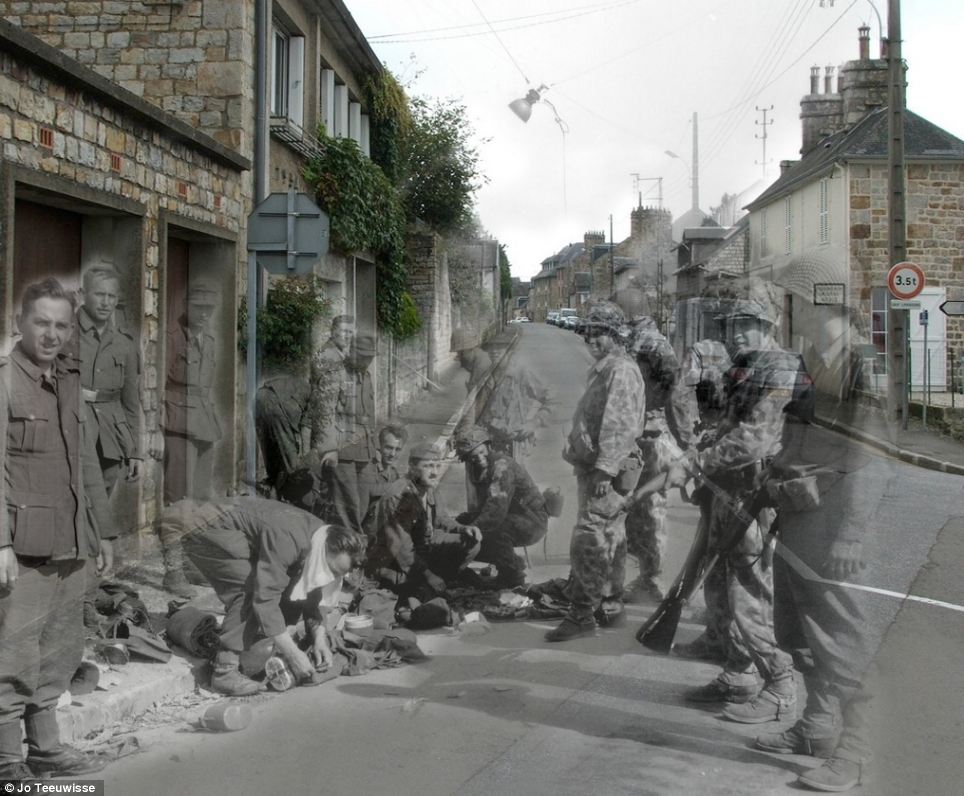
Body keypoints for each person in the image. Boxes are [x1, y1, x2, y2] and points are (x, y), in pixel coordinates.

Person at [752, 303, 886, 792]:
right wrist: (773, 477)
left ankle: (856, 751)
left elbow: (871, 460)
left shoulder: (863, 365)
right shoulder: (812, 359)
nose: (792, 313)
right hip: (798, 514)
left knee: (841, 641)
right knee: (799, 632)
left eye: (800, 304)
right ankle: (817, 727)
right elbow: (794, 435)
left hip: (834, 525)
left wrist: (851, 534)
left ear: (825, 305)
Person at [0, 277, 116, 779]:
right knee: (15, 650)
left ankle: (46, 748)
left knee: (61, 648)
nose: (51, 334)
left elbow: (86, 461)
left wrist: (104, 532)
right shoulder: (5, 379)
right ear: (19, 323)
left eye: (61, 326)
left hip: (73, 540)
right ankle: (7, 761)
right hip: (24, 544)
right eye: (41, 323)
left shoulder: (69, 379)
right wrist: (0, 541)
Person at [667, 283, 797, 722]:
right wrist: (699, 453)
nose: (738, 333)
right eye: (734, 325)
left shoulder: (780, 369)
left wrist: (694, 462)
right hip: (726, 491)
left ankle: (779, 685)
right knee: (718, 585)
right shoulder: (746, 367)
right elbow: (725, 425)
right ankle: (739, 672)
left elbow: (754, 438)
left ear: (769, 325)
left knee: (749, 594)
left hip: (754, 497)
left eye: (749, 325)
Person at [163, 497, 367, 696]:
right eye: (331, 570)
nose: (331, 578)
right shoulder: (289, 538)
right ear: (326, 552)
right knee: (249, 592)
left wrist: (319, 638)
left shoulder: (324, 538)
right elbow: (265, 598)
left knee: (288, 585)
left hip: (225, 527)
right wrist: (292, 653)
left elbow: (313, 587)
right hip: (196, 526)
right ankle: (224, 672)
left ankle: (254, 641)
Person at [546, 300, 646, 642]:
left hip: (607, 472)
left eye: (598, 334)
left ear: (615, 336)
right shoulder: (609, 367)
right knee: (611, 537)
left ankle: (581, 614)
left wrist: (604, 470)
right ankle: (609, 603)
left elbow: (619, 425)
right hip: (603, 467)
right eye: (588, 333)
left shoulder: (619, 370)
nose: (590, 340)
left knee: (589, 538)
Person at [160, 277, 221, 595]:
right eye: (199, 307)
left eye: (209, 308)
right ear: (187, 307)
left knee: (200, 498)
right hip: (178, 423)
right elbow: (158, 383)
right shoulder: (171, 338)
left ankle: (193, 562)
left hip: (205, 423)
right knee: (177, 500)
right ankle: (173, 572)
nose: (204, 313)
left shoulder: (208, 340)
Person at [365, 442, 482, 599]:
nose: (435, 472)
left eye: (437, 466)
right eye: (428, 466)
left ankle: (442, 580)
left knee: (470, 542)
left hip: (421, 549)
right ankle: (429, 582)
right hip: (393, 560)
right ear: (412, 467)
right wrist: (428, 575)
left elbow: (441, 518)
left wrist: (462, 528)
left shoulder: (428, 487)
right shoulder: (399, 496)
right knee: (421, 595)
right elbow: (402, 549)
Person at [623, 319, 684, 604]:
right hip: (640, 432)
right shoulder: (641, 340)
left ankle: (653, 579)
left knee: (650, 507)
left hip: (654, 432)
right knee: (638, 506)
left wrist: (681, 435)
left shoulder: (654, 343)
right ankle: (645, 575)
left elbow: (675, 390)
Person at [70, 266, 143, 495]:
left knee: (100, 510)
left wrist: (135, 451)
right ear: (83, 294)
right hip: (72, 429)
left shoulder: (125, 343)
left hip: (110, 437)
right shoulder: (64, 333)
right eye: (99, 294)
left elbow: (131, 402)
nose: (106, 302)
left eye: (111, 296)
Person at [452, 425, 549, 588]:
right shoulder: (477, 469)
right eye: (472, 457)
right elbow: (485, 507)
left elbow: (495, 512)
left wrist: (471, 528)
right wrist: (462, 525)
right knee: (460, 523)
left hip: (532, 520)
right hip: (512, 516)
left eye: (481, 453)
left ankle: (513, 576)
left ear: (488, 447)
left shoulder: (501, 467)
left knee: (493, 530)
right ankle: (512, 561)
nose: (479, 459)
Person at [326, 333, 377, 532]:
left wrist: (375, 449)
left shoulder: (367, 376)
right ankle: (350, 548)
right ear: (351, 351)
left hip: (365, 450)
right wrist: (330, 449)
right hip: (343, 450)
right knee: (347, 505)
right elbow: (325, 413)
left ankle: (353, 543)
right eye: (363, 356)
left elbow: (370, 414)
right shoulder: (336, 373)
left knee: (364, 500)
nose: (367, 361)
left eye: (370, 357)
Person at [480, 360, 553, 460]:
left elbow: (552, 399)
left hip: (517, 443)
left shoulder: (522, 371)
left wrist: (535, 421)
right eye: (491, 347)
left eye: (500, 346)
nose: (495, 351)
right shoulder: (485, 373)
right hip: (491, 443)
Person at [255, 372, 310, 495]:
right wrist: (303, 454)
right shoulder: (314, 392)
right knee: (290, 459)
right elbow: (306, 428)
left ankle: (270, 483)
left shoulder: (297, 380)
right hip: (278, 406)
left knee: (269, 447)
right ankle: (279, 492)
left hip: (260, 396)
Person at [361, 423, 408, 517]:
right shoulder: (368, 467)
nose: (393, 454)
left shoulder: (394, 473)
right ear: (380, 446)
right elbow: (370, 490)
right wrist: (401, 484)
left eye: (397, 449)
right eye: (389, 448)